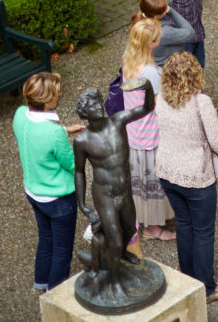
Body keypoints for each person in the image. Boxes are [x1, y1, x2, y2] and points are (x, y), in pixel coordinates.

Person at [156, 52, 218, 304]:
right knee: (203, 232)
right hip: (197, 177)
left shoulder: (159, 99)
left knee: (184, 225)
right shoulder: (201, 102)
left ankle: (187, 280)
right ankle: (207, 289)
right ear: (195, 74)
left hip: (167, 172)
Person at [73, 82, 155, 300]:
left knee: (129, 230)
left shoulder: (117, 121)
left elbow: (146, 109)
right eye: (92, 105)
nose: (99, 107)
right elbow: (79, 172)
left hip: (125, 190)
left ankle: (103, 258)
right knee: (115, 239)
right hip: (105, 194)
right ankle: (115, 281)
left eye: (99, 102)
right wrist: (83, 206)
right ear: (84, 113)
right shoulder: (82, 140)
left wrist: (147, 88)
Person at [12, 72, 84, 292]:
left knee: (45, 239)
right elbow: (72, 164)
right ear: (49, 101)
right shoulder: (53, 133)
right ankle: (56, 295)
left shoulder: (20, 114)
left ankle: (41, 282)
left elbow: (35, 135)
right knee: (62, 250)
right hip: (58, 199)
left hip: (33, 192)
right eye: (56, 94)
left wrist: (65, 130)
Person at [121, 17, 175, 241]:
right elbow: (160, 103)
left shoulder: (128, 61)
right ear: (151, 43)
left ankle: (142, 217)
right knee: (153, 180)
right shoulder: (151, 72)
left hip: (134, 130)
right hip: (151, 133)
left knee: (139, 181)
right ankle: (153, 227)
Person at [135, 0, 196, 66]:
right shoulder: (164, 32)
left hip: (153, 60)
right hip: (167, 66)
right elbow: (190, 32)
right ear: (156, 16)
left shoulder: (142, 19)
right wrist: (170, 10)